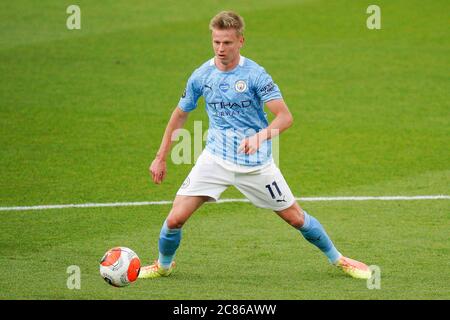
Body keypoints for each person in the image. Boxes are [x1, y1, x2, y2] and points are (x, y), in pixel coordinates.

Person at [139, 11, 371, 280]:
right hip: (214, 159)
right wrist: (161, 157)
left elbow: (285, 117)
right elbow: (179, 115)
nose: (221, 49)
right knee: (174, 220)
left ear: (241, 41)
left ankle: (339, 259)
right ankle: (163, 266)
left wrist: (260, 137)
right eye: (216, 42)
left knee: (296, 218)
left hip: (256, 164)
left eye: (227, 42)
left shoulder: (255, 75)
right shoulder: (202, 75)